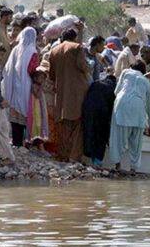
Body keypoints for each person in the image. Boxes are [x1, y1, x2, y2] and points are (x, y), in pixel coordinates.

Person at [48, 28, 90, 162]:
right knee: (78, 124)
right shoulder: (77, 48)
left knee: (63, 124)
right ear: (75, 37)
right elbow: (83, 67)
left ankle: (63, 155)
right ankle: (74, 156)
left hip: (61, 93)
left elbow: (51, 75)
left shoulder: (54, 51)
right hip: (78, 92)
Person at [109, 61, 150, 172]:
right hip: (139, 110)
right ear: (143, 72)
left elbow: (116, 91)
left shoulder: (125, 72)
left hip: (122, 106)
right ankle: (133, 169)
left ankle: (117, 166)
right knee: (136, 143)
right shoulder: (146, 82)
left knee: (117, 139)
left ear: (131, 67)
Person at [3, 27, 39, 147]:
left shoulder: (15, 49)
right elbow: (33, 71)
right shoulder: (33, 51)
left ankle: (16, 141)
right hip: (27, 86)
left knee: (15, 115)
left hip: (15, 86)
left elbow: (7, 69)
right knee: (25, 112)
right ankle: (25, 141)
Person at [82, 74, 117, 166]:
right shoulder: (113, 88)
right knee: (101, 137)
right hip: (102, 113)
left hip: (88, 110)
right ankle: (97, 161)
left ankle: (87, 156)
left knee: (89, 133)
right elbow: (112, 109)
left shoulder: (95, 83)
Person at [27, 68, 49, 148]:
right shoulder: (34, 86)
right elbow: (37, 95)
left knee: (39, 122)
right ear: (35, 78)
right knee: (36, 122)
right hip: (35, 107)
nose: (42, 80)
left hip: (38, 107)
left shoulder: (38, 86)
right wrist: (41, 88)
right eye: (41, 78)